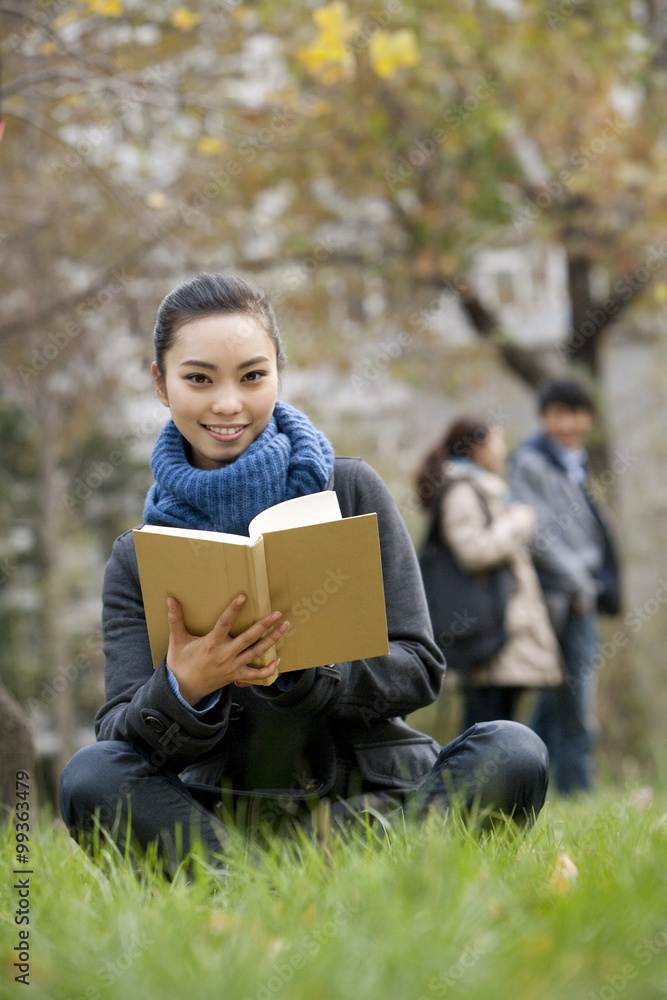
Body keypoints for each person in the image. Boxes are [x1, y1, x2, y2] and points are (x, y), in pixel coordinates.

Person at [59, 273, 549, 873]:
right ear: (161, 384)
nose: (228, 403)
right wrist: (186, 687)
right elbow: (118, 735)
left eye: (252, 375)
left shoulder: (351, 489)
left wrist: (316, 670)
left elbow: (419, 666)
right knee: (87, 776)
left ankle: (386, 865)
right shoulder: (140, 554)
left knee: (514, 749)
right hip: (221, 815)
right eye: (198, 378)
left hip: (374, 798)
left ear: (278, 372)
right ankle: (241, 884)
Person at [509, 378, 621, 796]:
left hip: (579, 594)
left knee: (558, 697)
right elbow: (537, 533)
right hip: (559, 597)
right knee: (572, 695)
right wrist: (581, 583)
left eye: (575, 413)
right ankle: (577, 788)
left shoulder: (575, 464)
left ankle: (525, 779)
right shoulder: (530, 462)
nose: (567, 423)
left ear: (587, 418)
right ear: (545, 418)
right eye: (558, 413)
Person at [416, 416, 562, 731]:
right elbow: (473, 551)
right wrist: (516, 525)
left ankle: (494, 781)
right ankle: (475, 781)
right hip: (488, 628)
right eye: (496, 441)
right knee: (486, 720)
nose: (502, 449)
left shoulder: (484, 489)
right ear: (477, 449)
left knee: (500, 718)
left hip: (502, 627)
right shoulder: (462, 492)